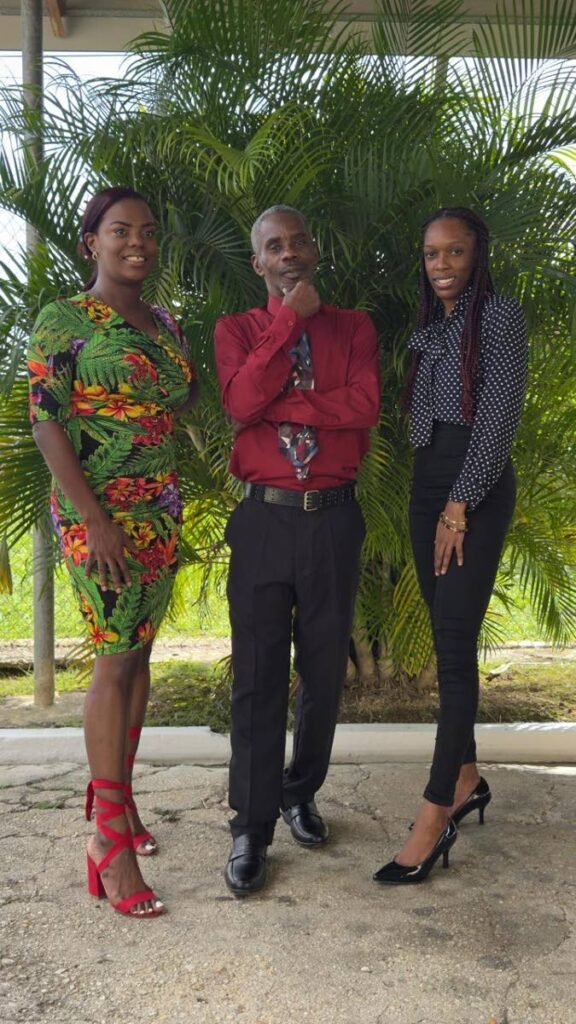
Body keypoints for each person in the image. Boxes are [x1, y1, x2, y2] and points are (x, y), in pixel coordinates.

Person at [27, 186, 196, 917]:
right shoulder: (63, 319)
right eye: (121, 231)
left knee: (140, 654)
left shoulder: (164, 323)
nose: (139, 243)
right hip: (100, 517)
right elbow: (47, 423)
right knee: (114, 656)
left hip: (158, 510)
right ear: (90, 241)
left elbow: (176, 405)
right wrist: (94, 517)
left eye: (149, 232)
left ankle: (121, 809)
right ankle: (106, 843)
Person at [214, 205, 380, 895]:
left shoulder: (355, 328)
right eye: (273, 246)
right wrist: (288, 323)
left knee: (322, 674)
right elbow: (241, 400)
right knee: (257, 679)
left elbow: (363, 407)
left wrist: (284, 404)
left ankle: (298, 792)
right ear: (258, 263)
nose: (289, 254)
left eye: (299, 241)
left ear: (315, 250)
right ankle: (251, 828)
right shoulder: (237, 331)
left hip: (333, 520)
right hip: (264, 522)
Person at [373, 207, 528, 885]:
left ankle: (435, 812)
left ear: (478, 254)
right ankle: (466, 776)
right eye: (432, 254)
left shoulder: (498, 316)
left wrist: (460, 506)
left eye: (454, 252)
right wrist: (436, 497)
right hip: (427, 481)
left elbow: (497, 419)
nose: (441, 265)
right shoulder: (431, 325)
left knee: (456, 641)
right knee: (445, 637)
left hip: (475, 488)